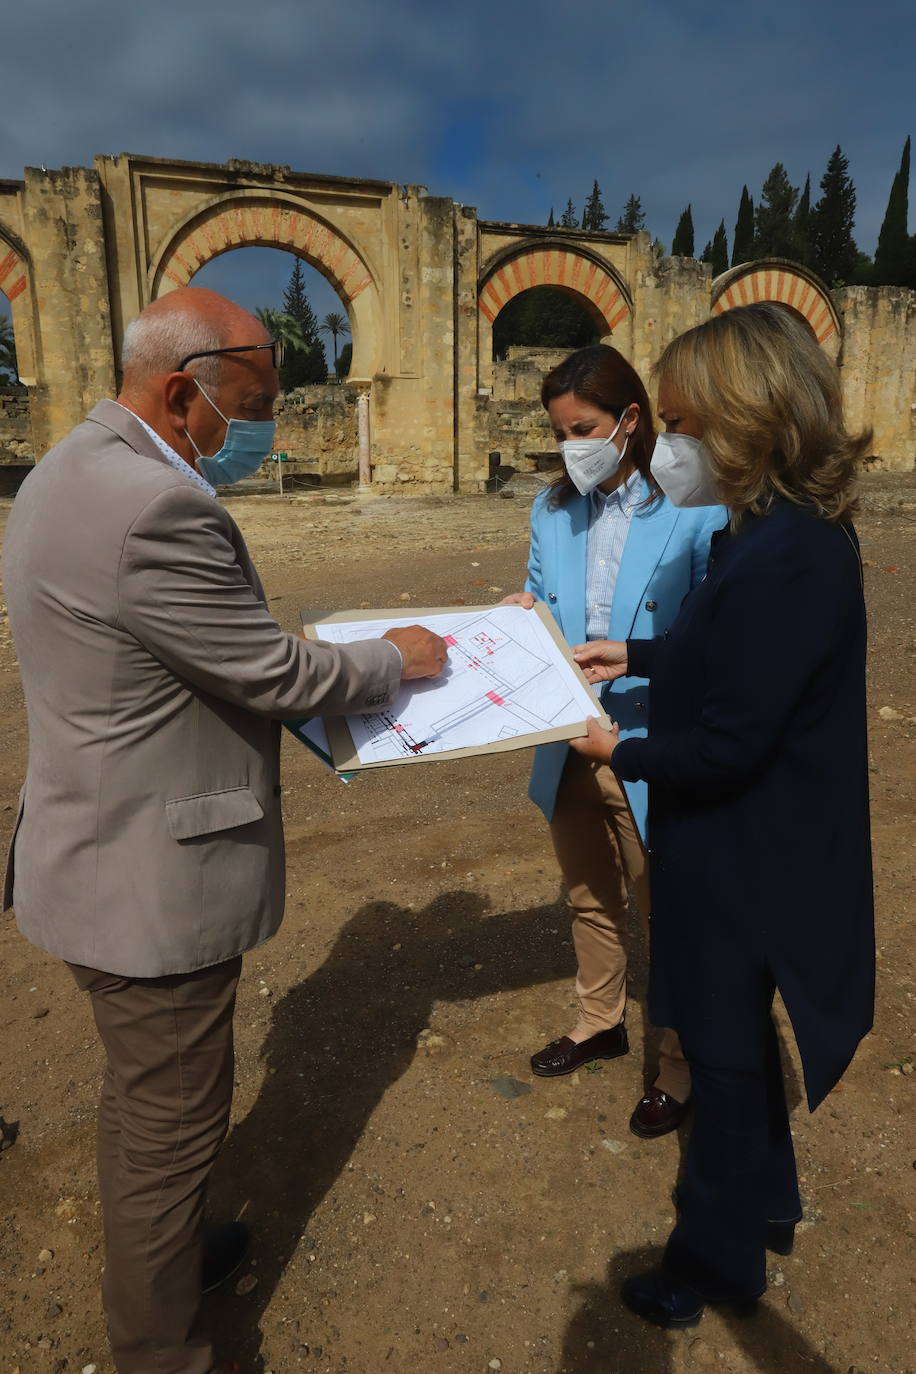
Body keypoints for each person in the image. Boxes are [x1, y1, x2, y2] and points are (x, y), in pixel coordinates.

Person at [1, 287, 447, 1374]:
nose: (260, 433)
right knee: (168, 1126)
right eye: (249, 406)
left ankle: (180, 1254)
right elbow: (272, 671)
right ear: (179, 389)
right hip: (149, 881)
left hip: (91, 848)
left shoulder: (65, 469)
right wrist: (399, 656)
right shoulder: (158, 507)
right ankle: (160, 1350)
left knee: (144, 1103)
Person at [571, 302, 875, 1327]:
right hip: (740, 846)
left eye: (683, 423)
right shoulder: (769, 529)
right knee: (729, 1038)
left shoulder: (792, 552)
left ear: (748, 417)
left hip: (746, 855)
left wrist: (618, 747)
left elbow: (735, 741)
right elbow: (732, 651)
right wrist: (638, 657)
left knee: (723, 1052)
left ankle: (714, 1260)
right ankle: (768, 1204)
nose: (669, 445)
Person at [501, 344, 725, 1135]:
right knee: (588, 893)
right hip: (566, 735)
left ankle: (678, 1061)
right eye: (561, 432)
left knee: (668, 906)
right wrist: (520, 617)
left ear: (631, 421)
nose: (572, 447)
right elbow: (540, 597)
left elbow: (709, 635)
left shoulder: (696, 511)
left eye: (584, 428)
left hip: (648, 739)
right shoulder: (550, 509)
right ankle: (600, 1020)